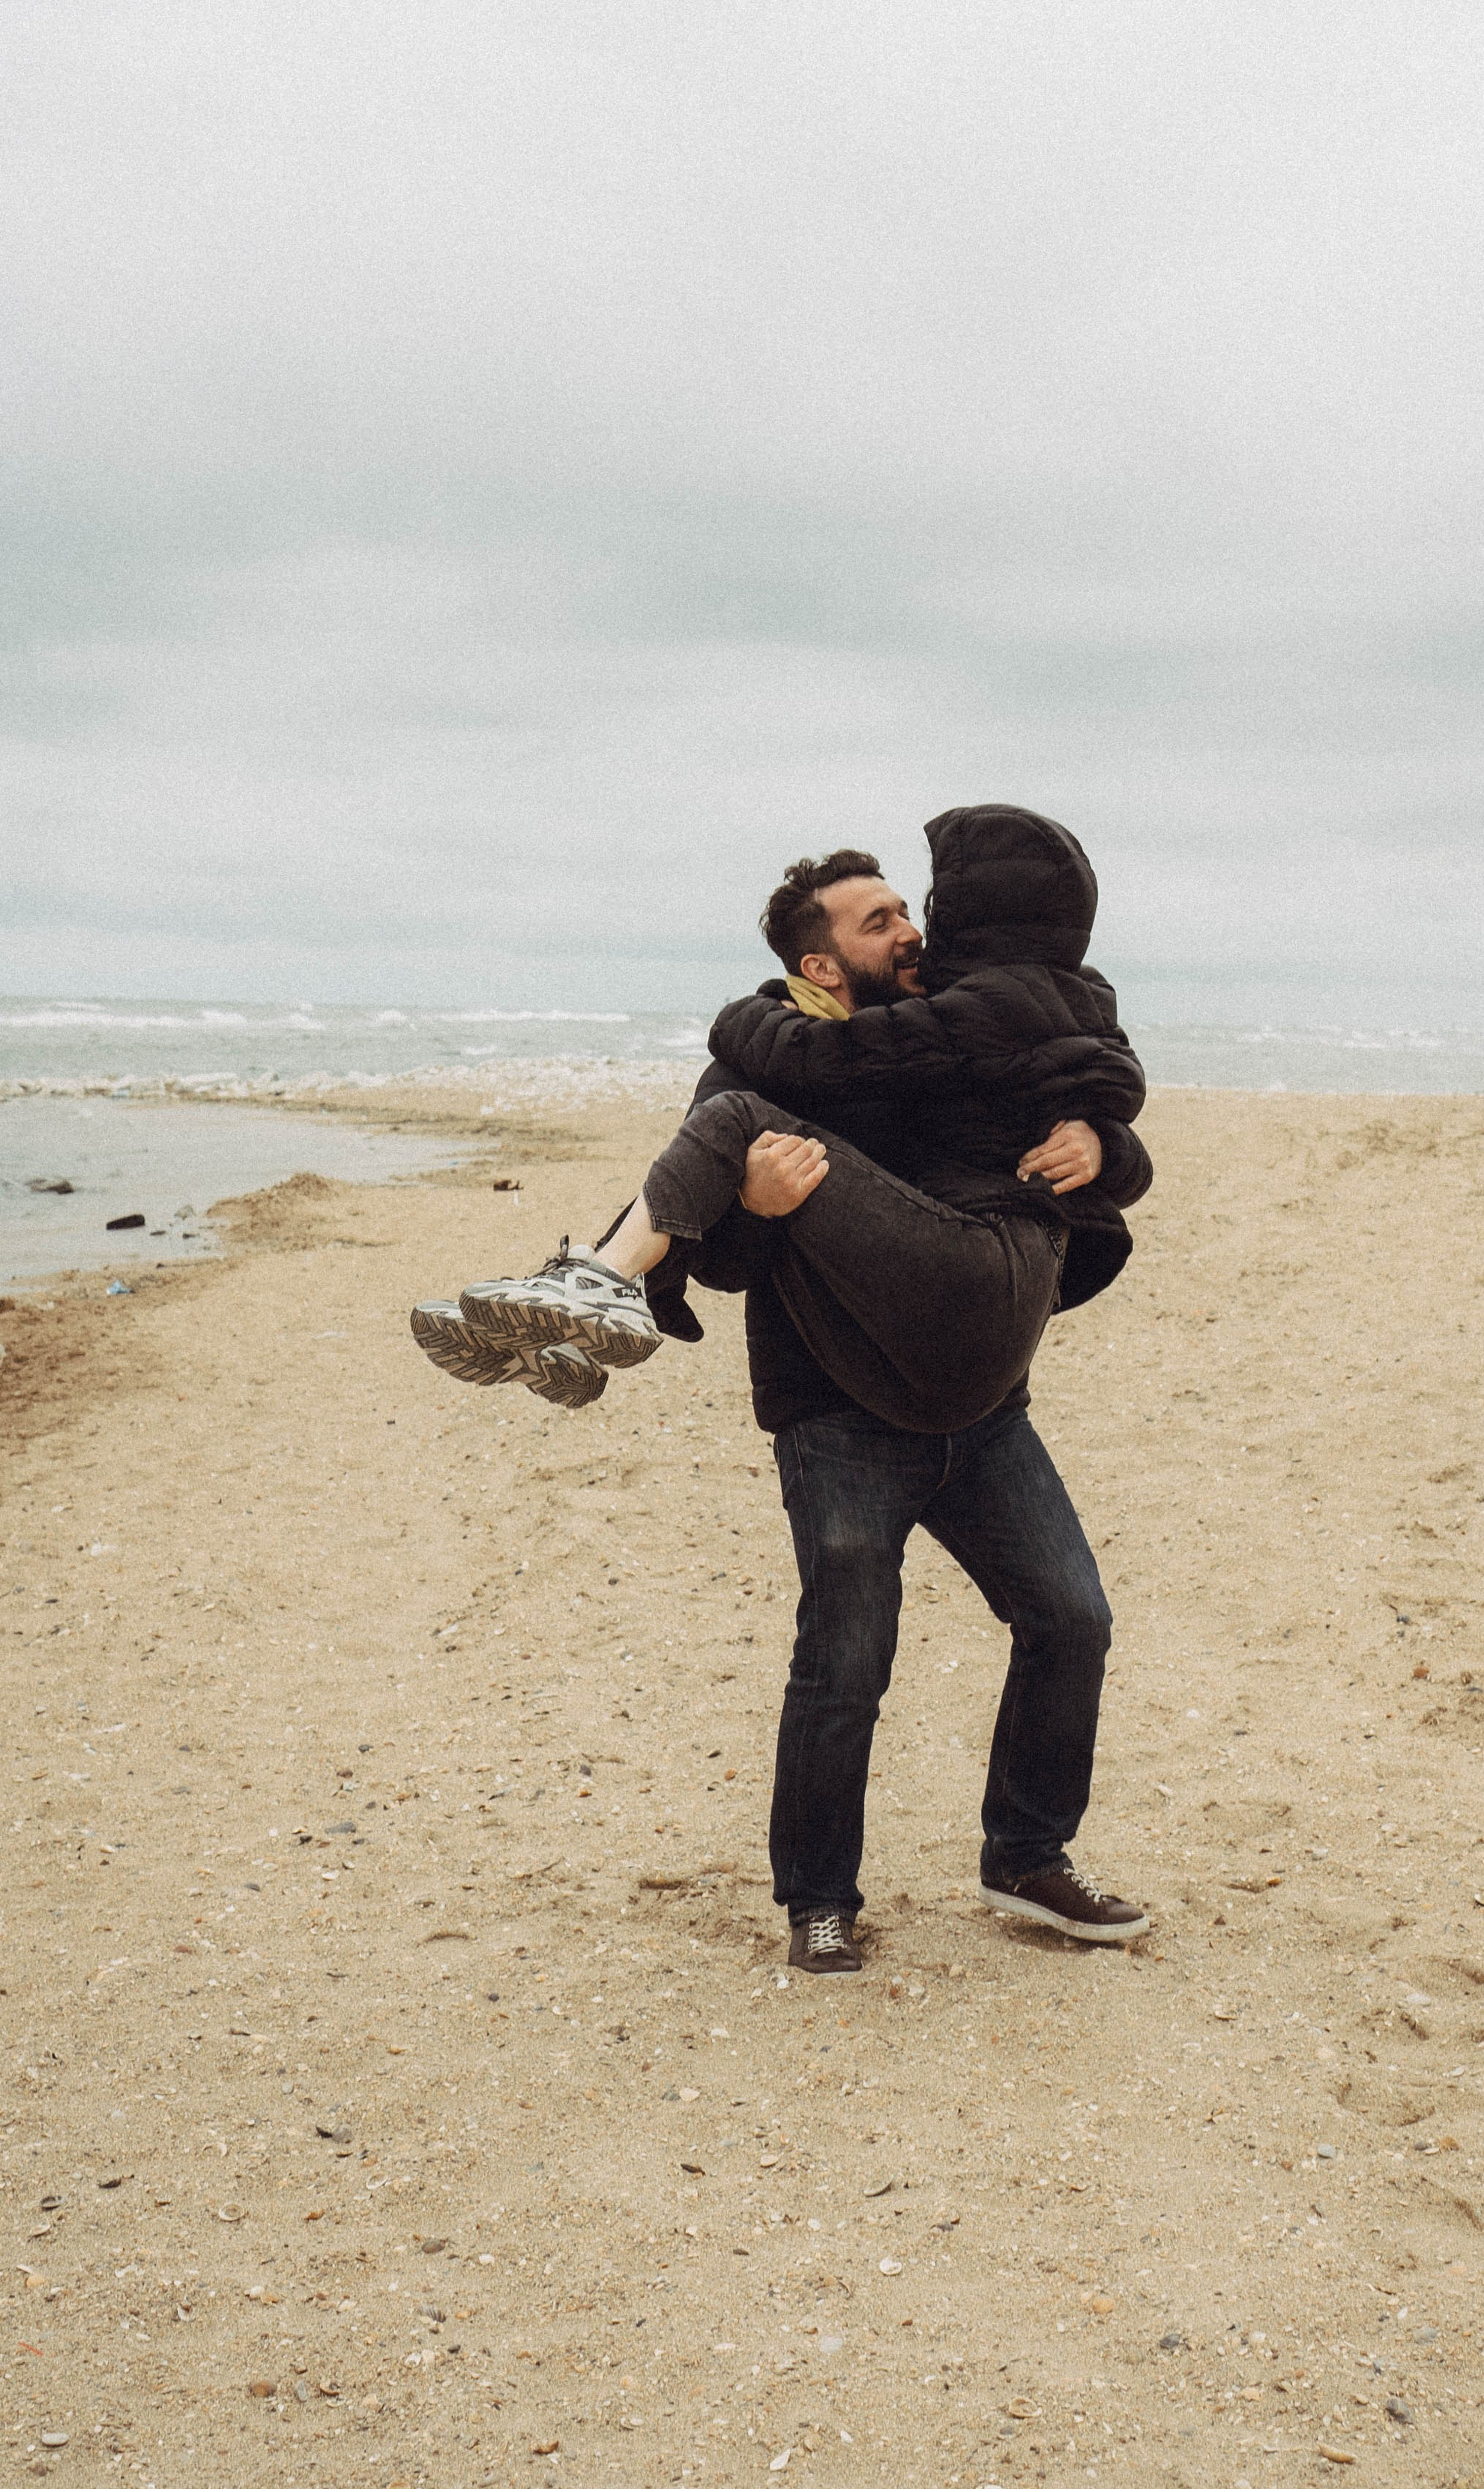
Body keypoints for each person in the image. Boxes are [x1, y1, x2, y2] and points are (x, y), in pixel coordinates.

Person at [417, 806, 1153, 1969]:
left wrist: (1105, 1149)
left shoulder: (948, 1026)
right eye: (880, 920)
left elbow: (1096, 1102)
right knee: (846, 1658)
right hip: (839, 1410)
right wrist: (756, 1211)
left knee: (1071, 1618)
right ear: (821, 963)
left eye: (908, 907)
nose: (909, 930)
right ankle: (820, 1897)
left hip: (981, 1407)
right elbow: (718, 1259)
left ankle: (1029, 1857)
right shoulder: (757, 1061)